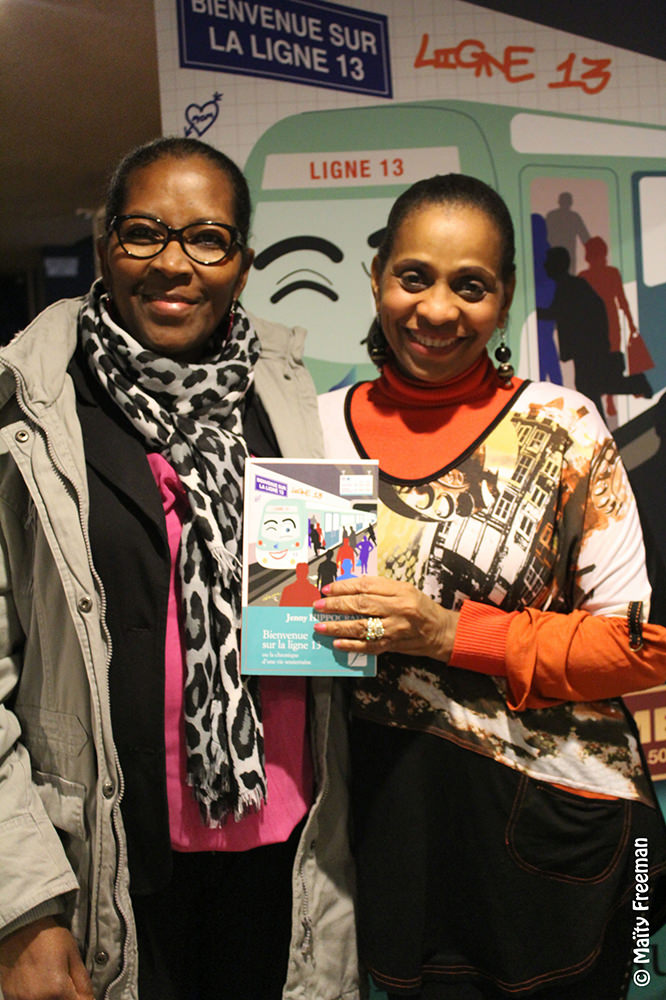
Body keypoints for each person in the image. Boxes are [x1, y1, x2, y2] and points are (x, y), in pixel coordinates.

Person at [0, 137, 358, 1000]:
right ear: (104, 249)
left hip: (286, 858)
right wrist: (23, 908)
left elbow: (312, 630)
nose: (173, 263)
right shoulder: (31, 415)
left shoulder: (288, 403)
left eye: (206, 239)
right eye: (144, 233)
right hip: (109, 865)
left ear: (241, 265)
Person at [315, 173, 666, 999]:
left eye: (470, 286)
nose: (437, 310)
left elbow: (640, 645)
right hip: (391, 825)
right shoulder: (316, 429)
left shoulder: (563, 427)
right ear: (376, 276)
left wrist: (449, 634)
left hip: (553, 824)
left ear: (504, 299)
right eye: (414, 277)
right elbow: (296, 638)